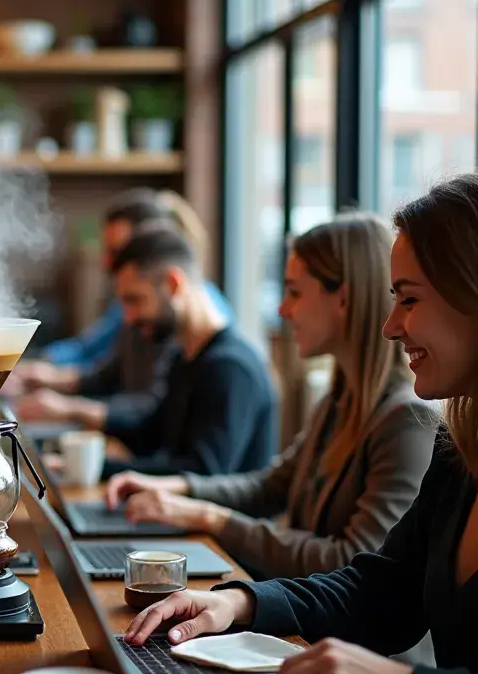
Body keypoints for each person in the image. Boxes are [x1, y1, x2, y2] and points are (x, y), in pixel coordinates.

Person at [124, 175, 478, 674]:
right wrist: (240, 604)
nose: (394, 327)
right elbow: (384, 587)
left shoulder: (412, 424)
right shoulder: (459, 453)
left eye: (411, 299)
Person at [105, 213, 437, 581]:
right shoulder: (338, 402)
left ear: (343, 298)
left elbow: (351, 560)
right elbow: (271, 486)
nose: (282, 309)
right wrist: (176, 488)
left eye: (294, 292)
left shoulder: (406, 421)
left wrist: (206, 516)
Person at [22, 222, 276, 477]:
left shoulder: (229, 367)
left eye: (135, 300)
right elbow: (150, 434)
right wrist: (80, 464)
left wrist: (99, 468)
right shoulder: (184, 357)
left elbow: (201, 473)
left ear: (173, 284)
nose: (130, 318)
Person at [12, 189, 232, 433]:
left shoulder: (184, 321)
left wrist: (71, 407)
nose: (108, 263)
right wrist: (42, 372)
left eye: (118, 251)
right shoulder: (139, 306)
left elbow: (151, 410)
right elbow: (102, 364)